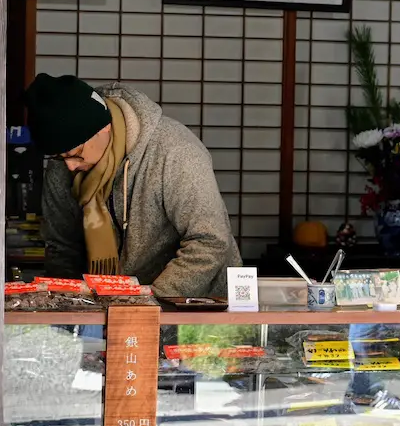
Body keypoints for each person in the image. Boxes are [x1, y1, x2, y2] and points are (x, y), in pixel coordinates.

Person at [26, 74, 242, 297]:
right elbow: (61, 246)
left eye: (76, 153)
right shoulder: (62, 167)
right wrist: (69, 303)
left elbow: (209, 240)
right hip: (108, 302)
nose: (70, 166)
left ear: (103, 128)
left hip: (196, 301)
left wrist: (151, 302)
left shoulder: (174, 151)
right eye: (59, 157)